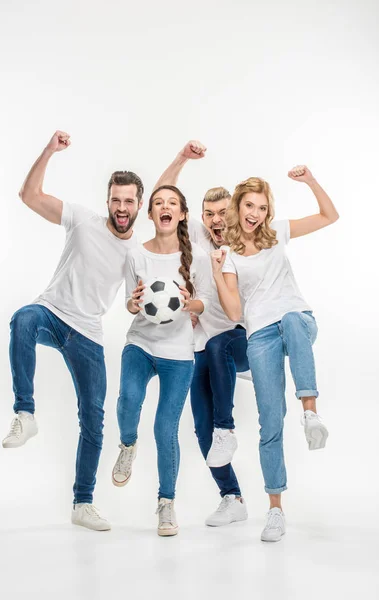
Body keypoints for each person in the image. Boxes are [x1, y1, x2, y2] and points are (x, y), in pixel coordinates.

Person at [2, 130, 144, 531]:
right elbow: (29, 196)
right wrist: (49, 150)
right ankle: (25, 413)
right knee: (22, 319)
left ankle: (82, 503)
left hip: (88, 335)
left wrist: (134, 304)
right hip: (52, 312)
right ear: (108, 202)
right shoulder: (82, 219)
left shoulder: (136, 253)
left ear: (138, 206)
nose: (121, 207)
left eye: (128, 201)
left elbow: (137, 301)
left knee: (94, 420)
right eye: (115, 199)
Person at [211, 166, 339, 542]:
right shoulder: (229, 253)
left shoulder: (278, 232)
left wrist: (311, 181)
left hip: (297, 321)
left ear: (269, 211)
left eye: (262, 207)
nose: (256, 214)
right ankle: (275, 511)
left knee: (292, 318)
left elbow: (330, 217)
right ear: (238, 207)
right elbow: (235, 313)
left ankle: (311, 414)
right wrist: (218, 272)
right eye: (249, 205)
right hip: (261, 334)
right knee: (270, 423)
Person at [154, 142, 250, 527]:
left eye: (223, 213)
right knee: (200, 425)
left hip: (239, 340)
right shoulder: (193, 236)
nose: (215, 219)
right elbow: (163, 197)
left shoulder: (245, 244)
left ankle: (230, 420)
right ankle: (232, 498)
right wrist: (180, 159)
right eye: (209, 213)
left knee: (219, 344)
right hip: (200, 347)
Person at [111, 184, 212, 536]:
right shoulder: (136, 255)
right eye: (157, 204)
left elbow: (206, 304)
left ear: (181, 214)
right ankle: (127, 444)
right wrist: (134, 304)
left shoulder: (197, 256)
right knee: (129, 401)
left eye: (172, 203)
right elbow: (129, 303)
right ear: (150, 214)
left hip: (178, 354)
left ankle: (166, 504)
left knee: (164, 429)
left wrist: (190, 302)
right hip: (140, 343)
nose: (164, 207)